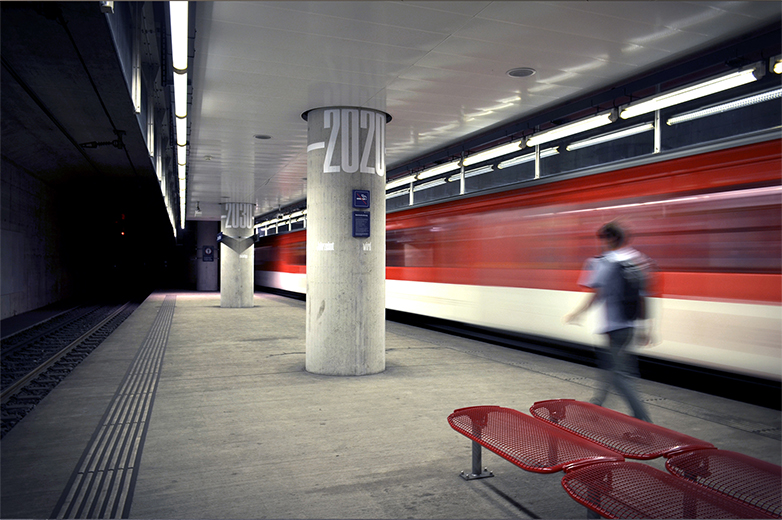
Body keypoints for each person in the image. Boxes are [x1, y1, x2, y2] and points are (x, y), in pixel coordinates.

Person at [564, 221, 655, 422]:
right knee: (612, 367)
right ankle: (597, 404)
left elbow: (596, 293)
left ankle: (644, 423)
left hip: (614, 327)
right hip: (630, 326)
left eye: (603, 239)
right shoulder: (638, 260)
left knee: (621, 376)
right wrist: (646, 328)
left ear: (611, 238)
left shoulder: (606, 262)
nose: (601, 243)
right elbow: (644, 296)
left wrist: (577, 313)